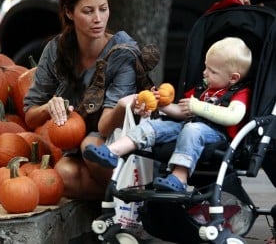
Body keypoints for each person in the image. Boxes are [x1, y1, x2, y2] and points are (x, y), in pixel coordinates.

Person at [23, 0, 140, 200]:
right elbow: (30, 114)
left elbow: (106, 127)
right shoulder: (56, 50)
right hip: (75, 145)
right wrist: (48, 107)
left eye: (103, 9)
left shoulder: (122, 52)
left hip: (117, 141)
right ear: (69, 12)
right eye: (88, 11)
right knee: (63, 174)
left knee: (90, 146)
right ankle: (128, 196)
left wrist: (124, 106)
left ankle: (133, 193)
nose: (98, 18)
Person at [83, 37, 252, 192]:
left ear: (233, 78)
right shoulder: (204, 90)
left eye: (212, 71)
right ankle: (112, 151)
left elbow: (233, 116)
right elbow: (181, 112)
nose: (204, 73)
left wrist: (197, 106)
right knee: (153, 126)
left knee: (193, 130)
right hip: (186, 126)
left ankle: (179, 177)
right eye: (206, 67)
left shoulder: (238, 93)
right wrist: (161, 105)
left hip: (216, 135)